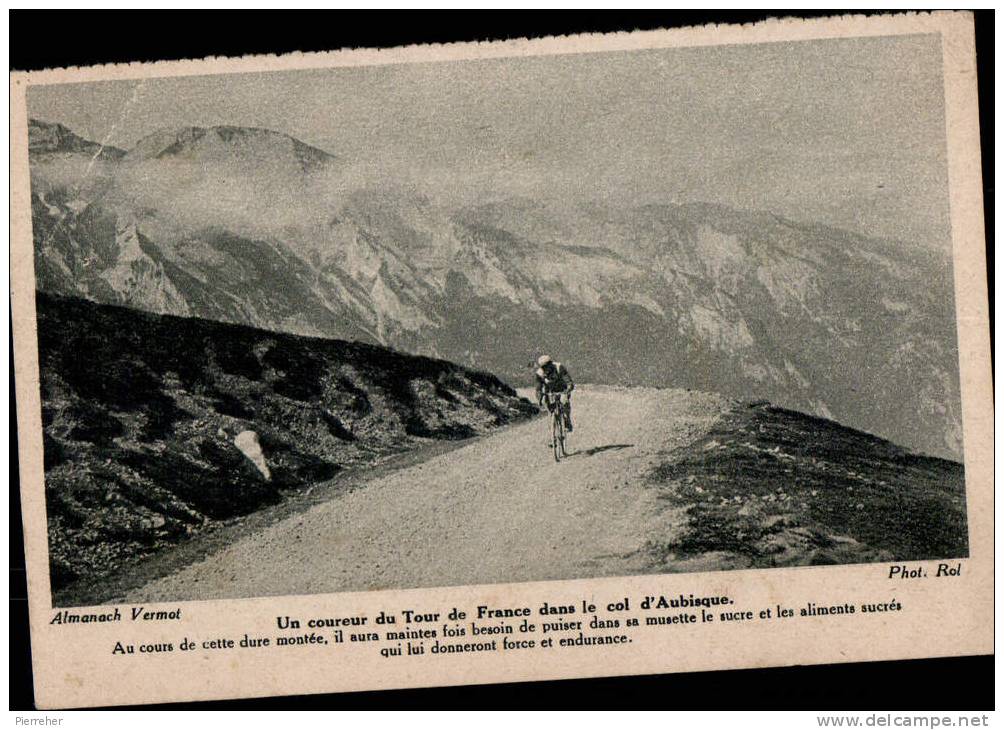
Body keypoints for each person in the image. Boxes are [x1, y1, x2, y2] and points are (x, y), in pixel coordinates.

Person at [534, 355, 574, 432]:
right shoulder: (539, 373)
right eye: (543, 367)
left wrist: (568, 389)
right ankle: (552, 435)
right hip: (549, 391)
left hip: (562, 389)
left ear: (551, 363)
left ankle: (567, 422)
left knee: (564, 402)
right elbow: (538, 388)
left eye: (547, 366)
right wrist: (539, 399)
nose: (546, 369)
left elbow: (568, 381)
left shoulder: (559, 367)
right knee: (550, 410)